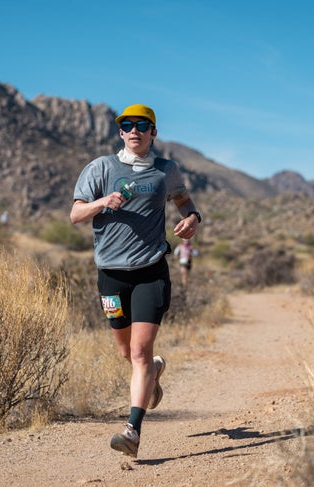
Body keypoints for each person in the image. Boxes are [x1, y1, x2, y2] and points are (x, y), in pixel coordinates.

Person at [70, 103, 201, 458]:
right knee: (127, 353)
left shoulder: (165, 171)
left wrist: (192, 219)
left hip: (150, 271)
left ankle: (132, 431)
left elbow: (186, 203)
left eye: (142, 125)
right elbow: (75, 214)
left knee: (140, 351)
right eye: (127, 125)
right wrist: (102, 202)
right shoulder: (101, 168)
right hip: (110, 276)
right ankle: (155, 373)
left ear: (153, 132)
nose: (134, 130)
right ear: (120, 132)